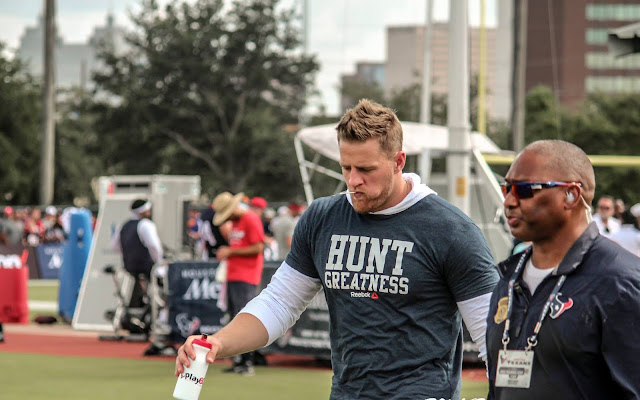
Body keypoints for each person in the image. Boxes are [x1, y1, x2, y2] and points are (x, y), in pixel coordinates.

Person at [176, 99, 498, 398]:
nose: (353, 180)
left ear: (398, 161)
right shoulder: (323, 217)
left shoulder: (450, 229)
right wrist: (217, 342)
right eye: (346, 168)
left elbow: (493, 336)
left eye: (366, 169)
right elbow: (279, 303)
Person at [486, 140, 640, 399]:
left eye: (524, 189)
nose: (509, 201)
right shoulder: (509, 280)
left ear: (570, 195)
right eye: (507, 188)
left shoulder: (621, 282)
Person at [111, 198, 175, 356]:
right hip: (147, 267)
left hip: (130, 267)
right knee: (163, 292)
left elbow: (115, 246)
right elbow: (154, 245)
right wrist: (159, 262)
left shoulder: (124, 225)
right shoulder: (146, 224)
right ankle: (160, 324)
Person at [212, 191, 265, 376]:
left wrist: (231, 252)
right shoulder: (236, 222)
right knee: (235, 318)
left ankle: (247, 361)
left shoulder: (250, 219)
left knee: (244, 318)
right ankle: (239, 360)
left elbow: (258, 247)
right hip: (234, 274)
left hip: (246, 275)